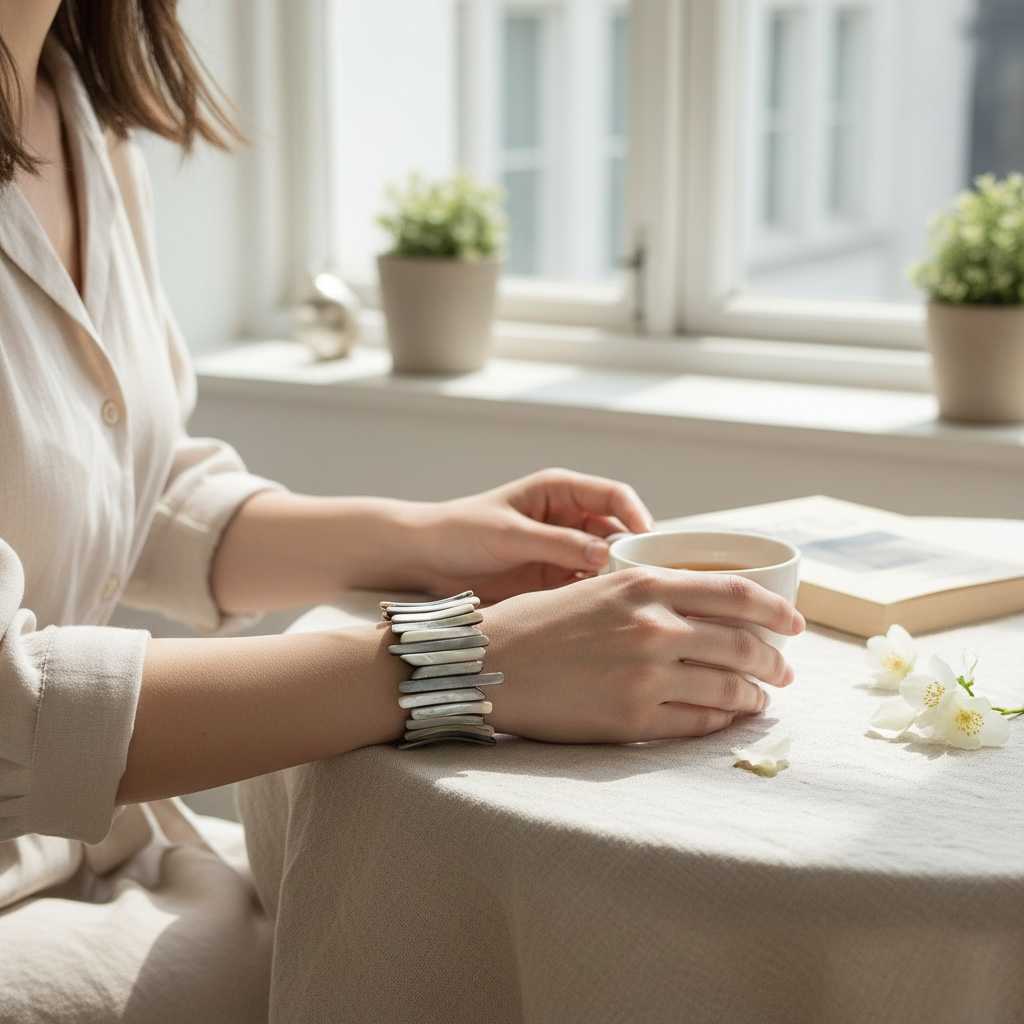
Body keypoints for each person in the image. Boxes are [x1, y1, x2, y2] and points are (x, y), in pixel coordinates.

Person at [0, 2, 805, 1021]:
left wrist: (436, 542)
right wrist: (466, 657)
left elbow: (132, 495)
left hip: (104, 851)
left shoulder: (79, 115)